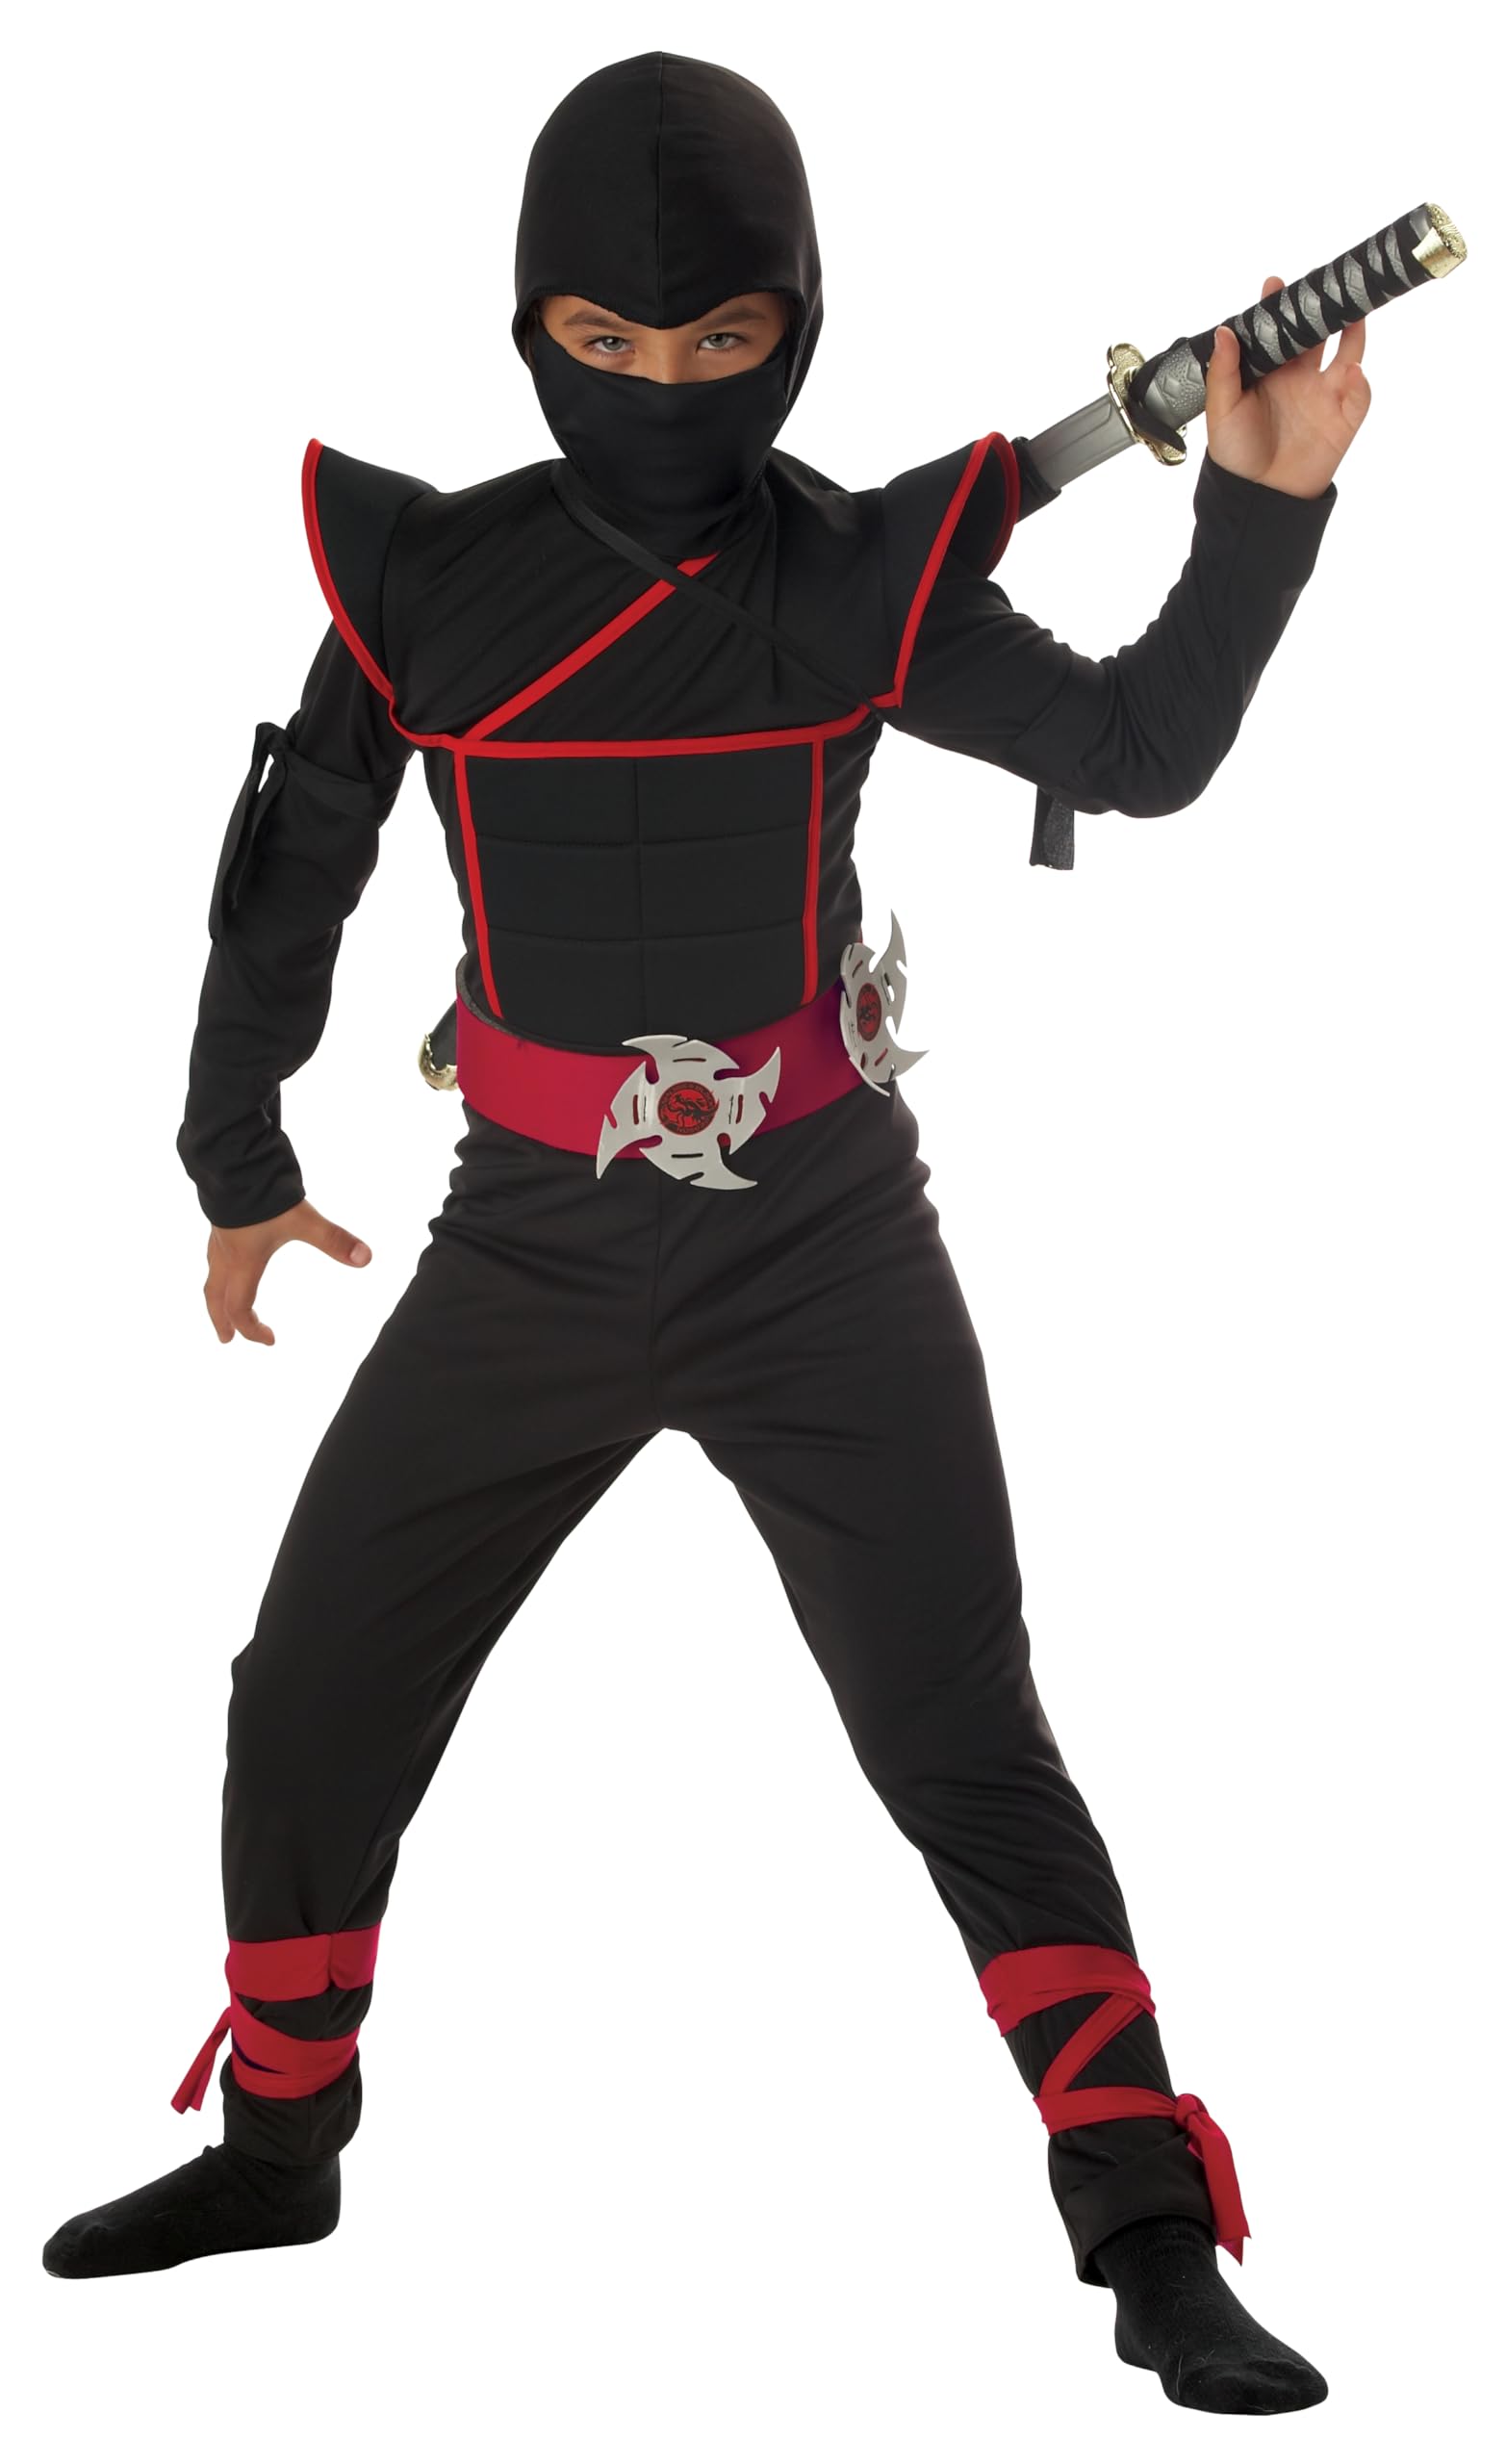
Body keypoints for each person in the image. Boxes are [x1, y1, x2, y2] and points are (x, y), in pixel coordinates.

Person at [42, 49, 1366, 2416]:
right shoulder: (428, 585)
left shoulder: (860, 583)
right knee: (307, 1689)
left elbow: (1137, 750)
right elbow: (292, 870)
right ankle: (279, 2141)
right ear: (530, 329)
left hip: (820, 1241)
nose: (663, 385)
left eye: (724, 341)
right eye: (608, 340)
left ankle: (1150, 2230)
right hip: (524, 1248)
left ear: (798, 331)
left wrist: (1264, 507)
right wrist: (234, 1155)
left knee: (963, 1732)